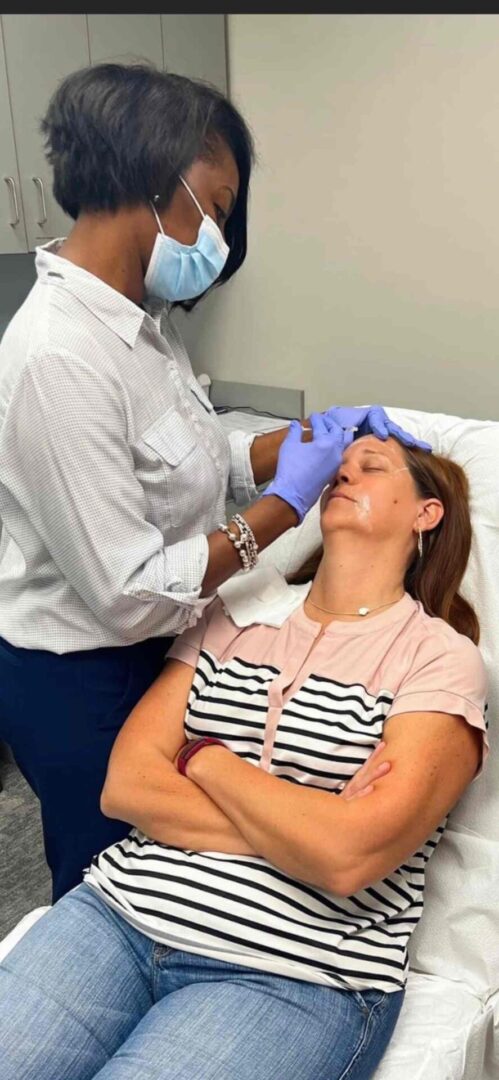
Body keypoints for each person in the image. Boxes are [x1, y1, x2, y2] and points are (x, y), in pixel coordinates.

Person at [0, 61, 427, 902]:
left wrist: (306, 437)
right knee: (110, 889)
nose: (221, 240)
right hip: (82, 673)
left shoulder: (140, 326)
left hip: (161, 645)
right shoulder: (57, 359)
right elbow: (127, 591)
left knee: (183, 869)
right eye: (217, 208)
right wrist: (284, 505)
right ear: (151, 171)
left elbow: (200, 463)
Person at [0, 428, 487, 1080]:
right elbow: (127, 787)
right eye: (339, 467)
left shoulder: (439, 657)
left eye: (370, 467)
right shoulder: (236, 612)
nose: (342, 473)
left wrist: (203, 757)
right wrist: (311, 826)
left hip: (292, 972)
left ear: (425, 514)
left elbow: (349, 859)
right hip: (118, 915)